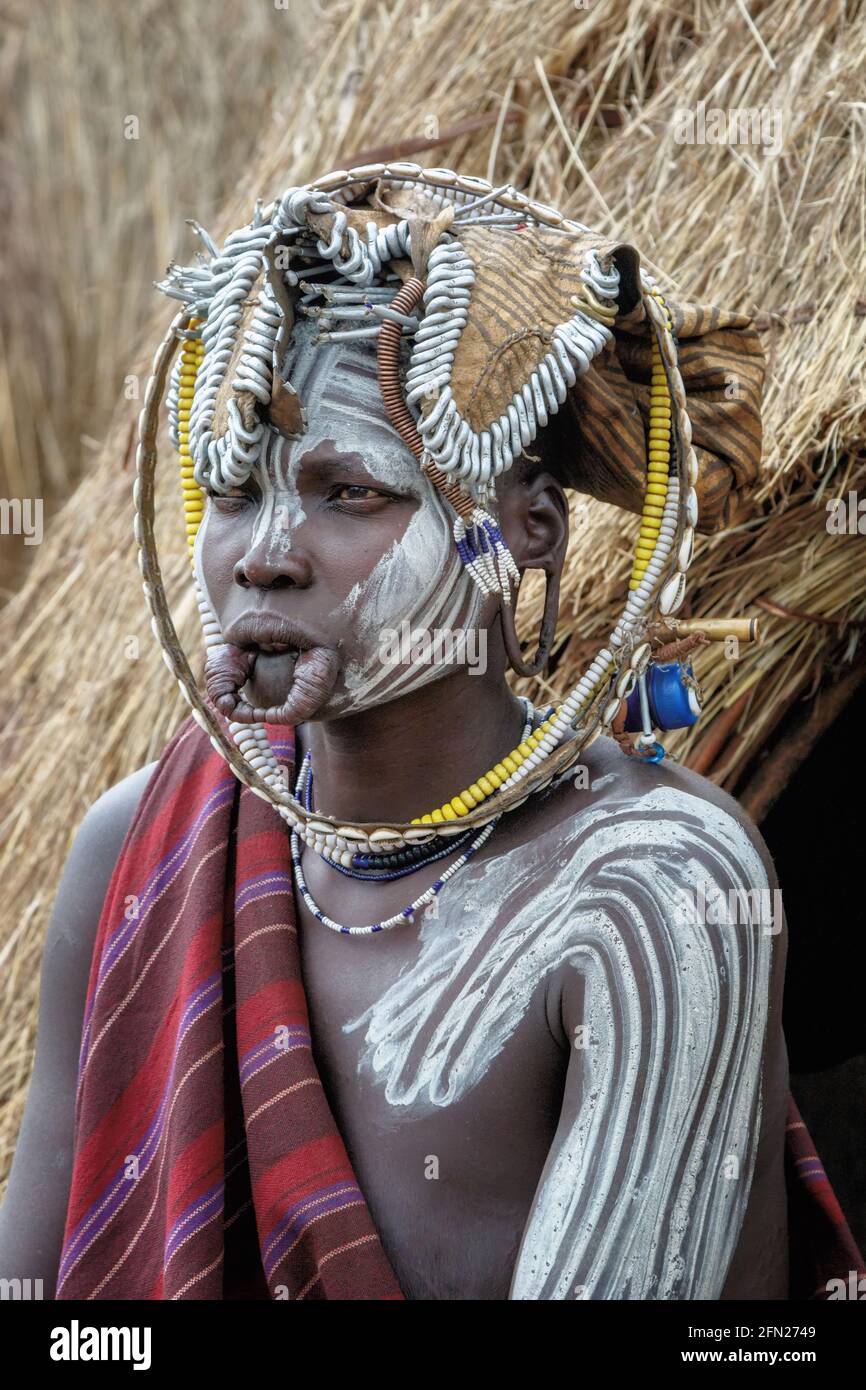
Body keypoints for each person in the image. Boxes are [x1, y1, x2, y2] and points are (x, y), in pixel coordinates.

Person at [0, 167, 852, 1300]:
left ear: (525, 529)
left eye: (347, 491)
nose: (265, 550)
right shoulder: (133, 855)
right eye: (234, 490)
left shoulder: (646, 890)